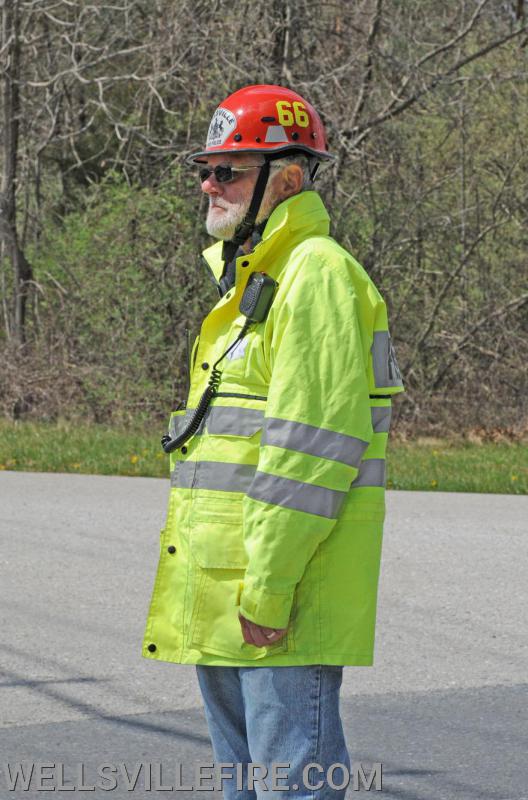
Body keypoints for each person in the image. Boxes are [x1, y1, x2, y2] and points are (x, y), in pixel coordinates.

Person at [143, 84, 404, 798]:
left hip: (279, 604)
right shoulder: (254, 283)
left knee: (294, 789)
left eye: (228, 170)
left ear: (285, 180)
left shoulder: (316, 276)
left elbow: (309, 456)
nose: (209, 183)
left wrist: (267, 592)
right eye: (207, 167)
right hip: (234, 598)